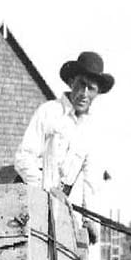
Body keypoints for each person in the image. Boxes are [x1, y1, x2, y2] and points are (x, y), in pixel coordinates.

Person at [14, 51, 114, 210]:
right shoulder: (48, 112)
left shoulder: (91, 132)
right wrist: (48, 188)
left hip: (61, 208)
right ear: (71, 82)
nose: (84, 93)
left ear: (98, 92)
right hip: (30, 201)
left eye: (91, 88)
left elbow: (90, 183)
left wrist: (91, 224)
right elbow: (23, 157)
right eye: (81, 84)